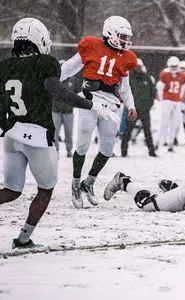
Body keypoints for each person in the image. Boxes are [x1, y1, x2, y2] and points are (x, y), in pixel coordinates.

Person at [0, 18, 118, 248]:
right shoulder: (44, 62)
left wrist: (7, 129)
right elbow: (59, 91)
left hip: (12, 136)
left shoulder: (5, 67)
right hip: (37, 136)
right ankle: (23, 238)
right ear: (39, 38)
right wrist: (91, 105)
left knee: (10, 191)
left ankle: (24, 237)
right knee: (45, 190)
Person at [60, 16, 137, 209]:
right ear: (110, 32)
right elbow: (69, 68)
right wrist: (51, 82)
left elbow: (125, 88)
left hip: (111, 104)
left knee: (107, 148)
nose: (124, 41)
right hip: (89, 99)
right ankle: (76, 184)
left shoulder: (125, 57)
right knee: (83, 142)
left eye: (126, 37)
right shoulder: (91, 46)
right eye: (121, 36)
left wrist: (131, 105)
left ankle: (89, 183)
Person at [121, 58, 157, 157]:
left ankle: (151, 151)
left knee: (147, 131)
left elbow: (153, 92)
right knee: (128, 130)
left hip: (145, 109)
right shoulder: (129, 78)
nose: (138, 68)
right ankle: (124, 151)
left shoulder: (147, 78)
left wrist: (148, 105)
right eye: (136, 66)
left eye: (139, 66)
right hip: (133, 110)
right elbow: (124, 92)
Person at [156, 56, 185, 152]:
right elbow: (160, 87)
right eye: (172, 66)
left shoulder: (182, 75)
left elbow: (182, 88)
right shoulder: (164, 74)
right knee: (164, 123)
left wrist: (179, 98)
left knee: (175, 124)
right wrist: (162, 99)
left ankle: (170, 144)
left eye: (175, 66)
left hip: (176, 101)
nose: (173, 68)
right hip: (167, 101)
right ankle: (157, 143)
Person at [52, 59, 77, 157]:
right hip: (56, 111)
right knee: (54, 133)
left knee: (69, 133)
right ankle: (55, 150)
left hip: (68, 111)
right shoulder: (54, 80)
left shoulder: (72, 81)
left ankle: (69, 150)